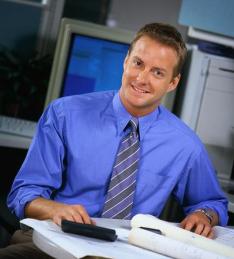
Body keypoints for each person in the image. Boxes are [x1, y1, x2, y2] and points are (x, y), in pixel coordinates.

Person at [1, 22, 228, 258]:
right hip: (54, 241)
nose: (141, 78)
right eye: (138, 63)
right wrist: (54, 209)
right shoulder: (64, 114)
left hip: (127, 252)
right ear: (126, 60)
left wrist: (204, 215)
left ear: (172, 83)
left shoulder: (184, 144)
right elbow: (24, 193)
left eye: (157, 72)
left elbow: (212, 201)